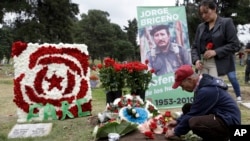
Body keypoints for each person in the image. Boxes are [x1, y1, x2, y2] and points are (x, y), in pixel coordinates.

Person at [165, 65, 241, 141]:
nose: (183, 89)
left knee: (194, 122)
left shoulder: (207, 90)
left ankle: (222, 138)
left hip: (229, 122)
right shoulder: (202, 85)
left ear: (190, 79)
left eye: (182, 86)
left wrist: (175, 131)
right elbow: (194, 109)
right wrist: (178, 121)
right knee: (187, 107)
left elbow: (194, 113)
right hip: (221, 116)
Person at [191, 0, 242, 101]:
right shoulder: (201, 27)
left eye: (206, 12)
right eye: (202, 14)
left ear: (214, 9)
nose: (204, 16)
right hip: (202, 64)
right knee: (200, 90)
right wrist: (196, 60)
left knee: (214, 91)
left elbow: (235, 45)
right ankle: (201, 114)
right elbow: (195, 46)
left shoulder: (226, 22)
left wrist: (215, 52)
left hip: (218, 63)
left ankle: (217, 114)